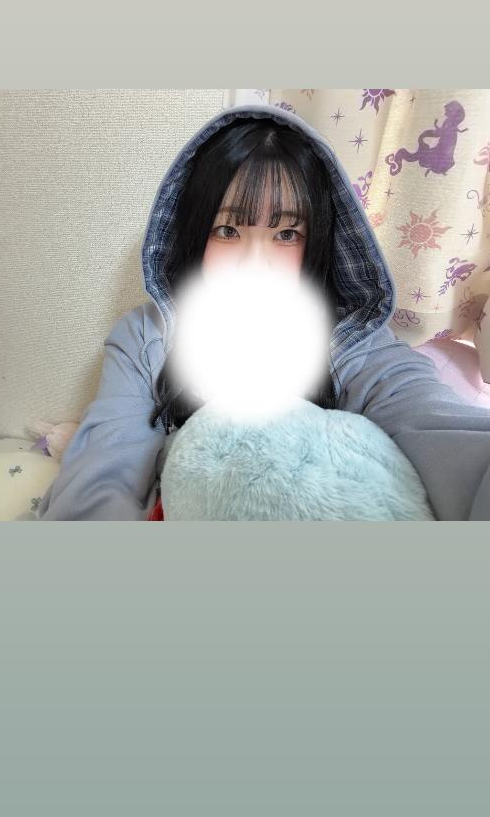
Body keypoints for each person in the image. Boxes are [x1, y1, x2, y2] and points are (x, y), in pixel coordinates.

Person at [37, 103, 490, 521]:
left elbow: (435, 423)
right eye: (228, 230)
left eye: (287, 234)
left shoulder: (354, 343)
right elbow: (102, 469)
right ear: (193, 234)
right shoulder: (145, 339)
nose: (255, 263)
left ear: (317, 243)